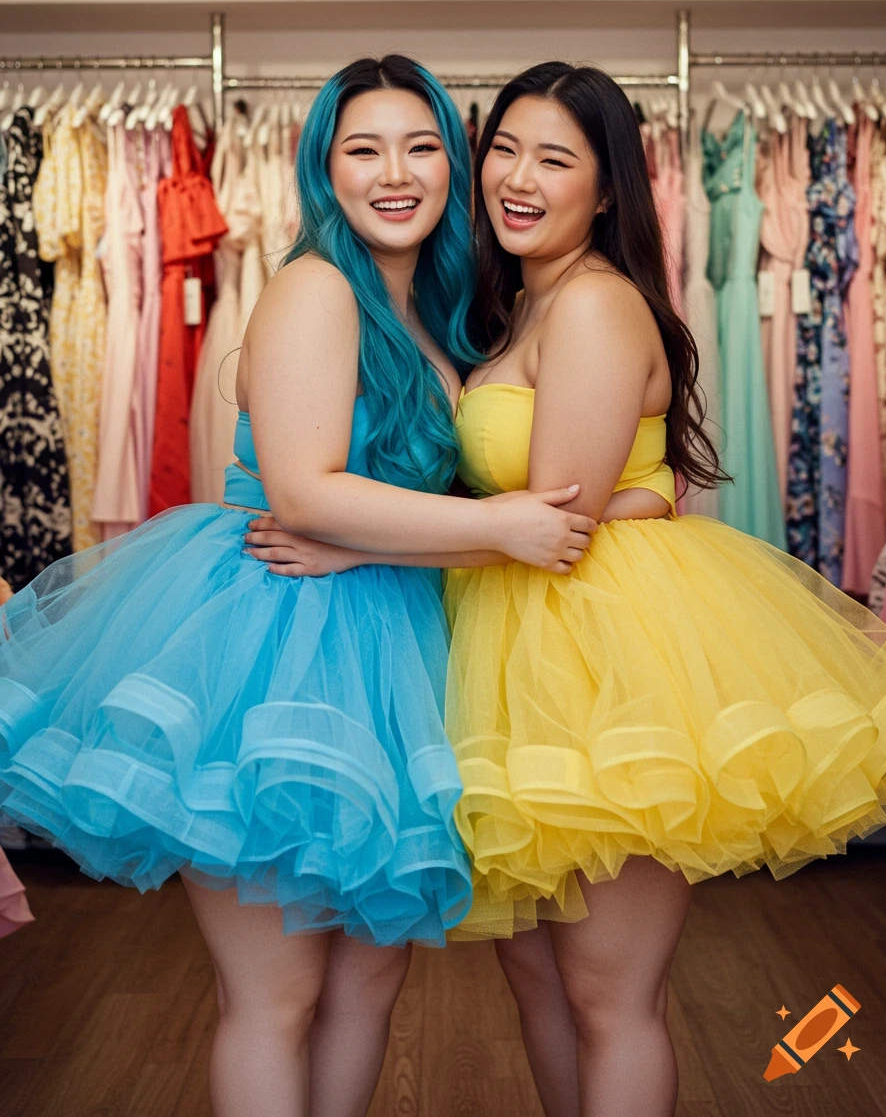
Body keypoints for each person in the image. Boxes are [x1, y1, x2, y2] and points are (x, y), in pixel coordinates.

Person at [249, 62, 886, 1117]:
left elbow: (550, 524)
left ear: (606, 191)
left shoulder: (590, 303)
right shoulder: (503, 309)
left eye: (553, 159)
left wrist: (358, 547)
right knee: (541, 975)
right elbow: (564, 500)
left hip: (607, 660)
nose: (516, 177)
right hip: (526, 651)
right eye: (501, 149)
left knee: (605, 991)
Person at [0, 56, 597, 1117]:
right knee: (275, 992)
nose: (395, 173)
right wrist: (496, 522)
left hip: (389, 639)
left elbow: (387, 513)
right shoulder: (316, 287)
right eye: (362, 150)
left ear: (452, 167)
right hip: (268, 638)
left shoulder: (441, 313)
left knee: (370, 978)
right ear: (324, 169)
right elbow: (303, 493)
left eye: (419, 146)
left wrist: (392, 543)